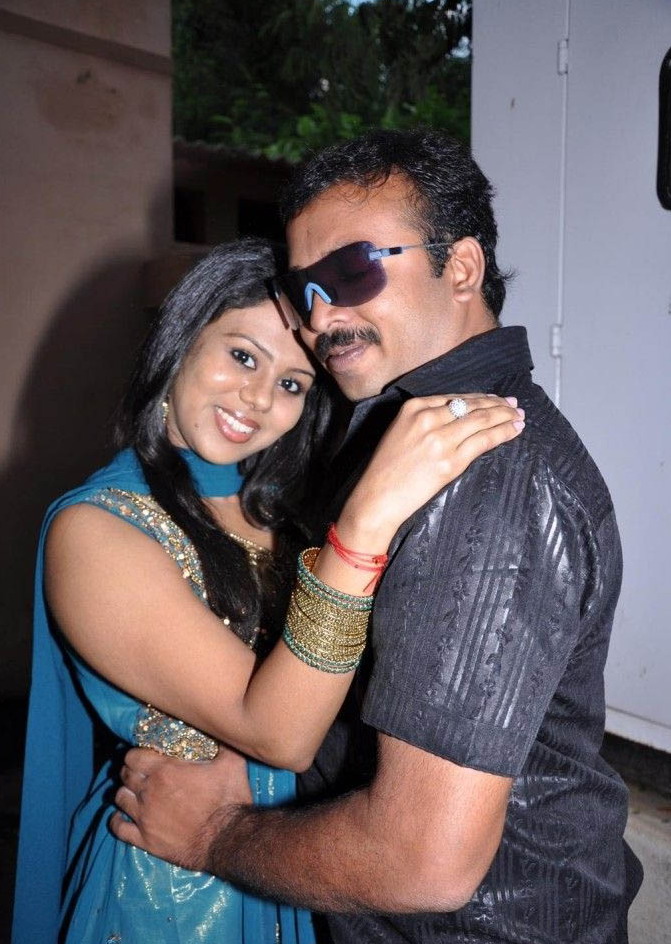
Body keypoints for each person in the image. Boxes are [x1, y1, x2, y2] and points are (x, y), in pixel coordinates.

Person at [113, 129, 643, 944]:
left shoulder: (480, 474)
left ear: (459, 267)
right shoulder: (401, 444)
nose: (323, 315)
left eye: (352, 270)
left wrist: (212, 833)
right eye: (303, 291)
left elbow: (421, 862)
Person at [12, 236, 523, 944]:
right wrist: (362, 529)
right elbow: (279, 734)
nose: (257, 399)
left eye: (292, 384)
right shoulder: (97, 531)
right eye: (243, 356)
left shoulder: (274, 511)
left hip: (277, 853)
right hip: (173, 887)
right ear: (181, 341)